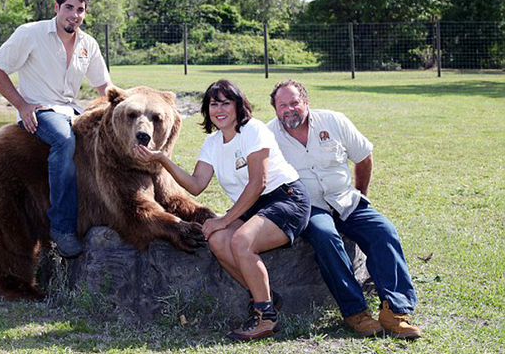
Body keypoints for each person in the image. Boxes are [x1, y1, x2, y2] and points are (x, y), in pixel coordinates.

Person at [134, 79, 310, 341]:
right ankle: (266, 300)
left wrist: (225, 219)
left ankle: (266, 319)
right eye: (213, 103)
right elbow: (196, 185)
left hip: (285, 199)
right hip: (253, 206)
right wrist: (161, 158)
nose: (219, 109)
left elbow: (258, 183)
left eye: (225, 103)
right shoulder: (213, 144)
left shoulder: (253, 130)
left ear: (238, 106)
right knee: (217, 240)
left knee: (241, 240)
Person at [267, 79, 421, 339]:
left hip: (345, 199)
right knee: (327, 238)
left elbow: (363, 156)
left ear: (306, 103)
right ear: (275, 110)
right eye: (282, 105)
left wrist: (361, 194)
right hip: (309, 207)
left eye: (294, 102)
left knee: (383, 231)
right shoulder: (269, 136)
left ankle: (395, 312)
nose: (289, 109)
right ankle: (356, 313)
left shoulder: (334, 121)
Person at [0, 0, 112, 258]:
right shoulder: (30, 33)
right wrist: (22, 105)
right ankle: (62, 227)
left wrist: (121, 109)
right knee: (64, 141)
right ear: (56, 8)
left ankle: (104, 210)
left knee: (106, 139)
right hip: (41, 109)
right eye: (69, 8)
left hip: (71, 108)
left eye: (80, 10)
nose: (74, 15)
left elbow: (104, 86)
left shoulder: (87, 44)